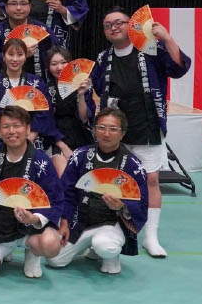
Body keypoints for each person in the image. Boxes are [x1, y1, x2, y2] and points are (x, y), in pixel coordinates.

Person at [91, 6, 191, 257]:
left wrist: (166, 38)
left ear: (131, 25)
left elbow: (179, 68)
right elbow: (98, 88)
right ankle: (108, 231)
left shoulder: (151, 48)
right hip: (114, 131)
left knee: (151, 180)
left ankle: (151, 236)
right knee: (111, 180)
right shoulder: (103, 58)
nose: (113, 28)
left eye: (119, 23)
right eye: (107, 25)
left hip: (147, 125)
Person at [48, 108, 149, 275]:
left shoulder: (133, 165)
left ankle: (107, 253)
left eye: (113, 129)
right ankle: (90, 246)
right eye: (101, 127)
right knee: (54, 259)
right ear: (94, 130)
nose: (106, 134)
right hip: (80, 222)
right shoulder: (80, 156)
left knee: (105, 246)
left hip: (111, 224)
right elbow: (66, 192)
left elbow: (142, 203)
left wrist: (122, 206)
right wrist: (64, 223)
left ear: (122, 134)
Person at [0, 106, 64, 279]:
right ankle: (2, 251)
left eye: (17, 126)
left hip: (30, 229)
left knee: (51, 244)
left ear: (28, 129)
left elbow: (55, 199)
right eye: (6, 126)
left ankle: (32, 252)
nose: (12, 131)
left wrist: (34, 218)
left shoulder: (41, 161)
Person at [0, 38, 71, 158]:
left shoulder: (36, 83)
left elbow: (44, 112)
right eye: (11, 54)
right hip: (2, 136)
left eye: (20, 54)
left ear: (25, 57)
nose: (15, 59)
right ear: (3, 56)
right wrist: (7, 131)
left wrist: (30, 135)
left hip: (31, 136)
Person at [44, 45, 94, 174]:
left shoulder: (82, 84)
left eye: (63, 62)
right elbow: (46, 122)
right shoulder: (46, 89)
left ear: (71, 63)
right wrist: (62, 146)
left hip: (80, 134)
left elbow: (84, 118)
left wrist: (81, 95)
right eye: (54, 64)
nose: (59, 67)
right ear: (48, 67)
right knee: (64, 174)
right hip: (56, 137)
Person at [0, 0, 54, 78]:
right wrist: (20, 54)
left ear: (29, 7)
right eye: (13, 4)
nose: (18, 8)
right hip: (5, 81)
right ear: (6, 7)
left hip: (38, 81)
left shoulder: (42, 29)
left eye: (23, 4)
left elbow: (55, 54)